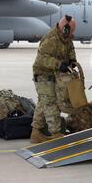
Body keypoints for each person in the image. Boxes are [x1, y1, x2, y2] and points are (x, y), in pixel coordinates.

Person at [30, 15, 78, 143]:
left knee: (43, 102)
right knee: (51, 102)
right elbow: (42, 58)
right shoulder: (51, 39)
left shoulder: (66, 37)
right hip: (43, 74)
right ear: (65, 29)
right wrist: (59, 64)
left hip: (54, 74)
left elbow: (70, 48)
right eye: (71, 31)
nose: (72, 34)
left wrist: (72, 61)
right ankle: (56, 133)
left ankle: (35, 133)